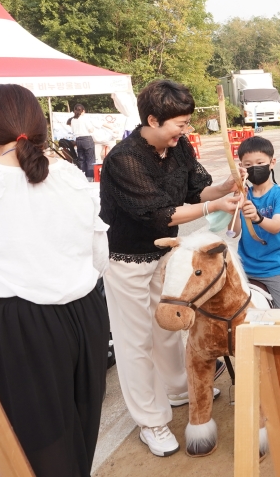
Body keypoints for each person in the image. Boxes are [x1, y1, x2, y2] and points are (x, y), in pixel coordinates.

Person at [99, 80, 240, 457]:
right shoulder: (123, 159)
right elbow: (164, 215)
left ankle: (179, 387)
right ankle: (151, 421)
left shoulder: (178, 149)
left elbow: (197, 193)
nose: (186, 130)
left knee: (169, 326)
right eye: (179, 123)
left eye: (187, 122)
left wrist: (226, 187)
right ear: (151, 119)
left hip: (164, 256)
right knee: (136, 342)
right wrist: (215, 207)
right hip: (126, 260)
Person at [0, 84, 110, 477]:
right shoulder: (73, 178)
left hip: (21, 326)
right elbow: (100, 256)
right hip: (86, 314)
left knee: (40, 448)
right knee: (81, 429)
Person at [232, 136, 280, 309]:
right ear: (241, 168)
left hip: (275, 268)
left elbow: (275, 227)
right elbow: (234, 232)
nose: (254, 168)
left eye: (260, 162)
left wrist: (257, 217)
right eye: (248, 165)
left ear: (272, 162)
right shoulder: (243, 194)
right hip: (244, 268)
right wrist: (235, 207)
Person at [67, 103, 95, 179]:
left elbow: (73, 130)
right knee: (90, 159)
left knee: (81, 159)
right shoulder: (84, 118)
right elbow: (91, 130)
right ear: (82, 111)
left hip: (78, 140)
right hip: (87, 139)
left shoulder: (72, 120)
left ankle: (83, 177)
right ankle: (90, 177)